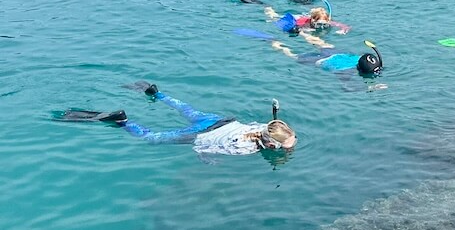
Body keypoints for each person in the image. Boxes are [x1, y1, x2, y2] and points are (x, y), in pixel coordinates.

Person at [53, 82, 297, 155]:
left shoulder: (264, 127)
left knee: (187, 109)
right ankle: (123, 121)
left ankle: (157, 94)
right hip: (203, 134)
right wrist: (205, 157)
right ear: (270, 145)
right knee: (151, 138)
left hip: (220, 121)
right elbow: (208, 147)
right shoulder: (246, 149)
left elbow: (270, 126)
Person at [271, 39, 387, 92]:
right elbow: (347, 87)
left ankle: (303, 33)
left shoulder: (359, 57)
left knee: (320, 43)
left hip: (336, 53)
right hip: (321, 60)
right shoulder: (346, 71)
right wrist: (371, 87)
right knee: (293, 56)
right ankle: (275, 43)